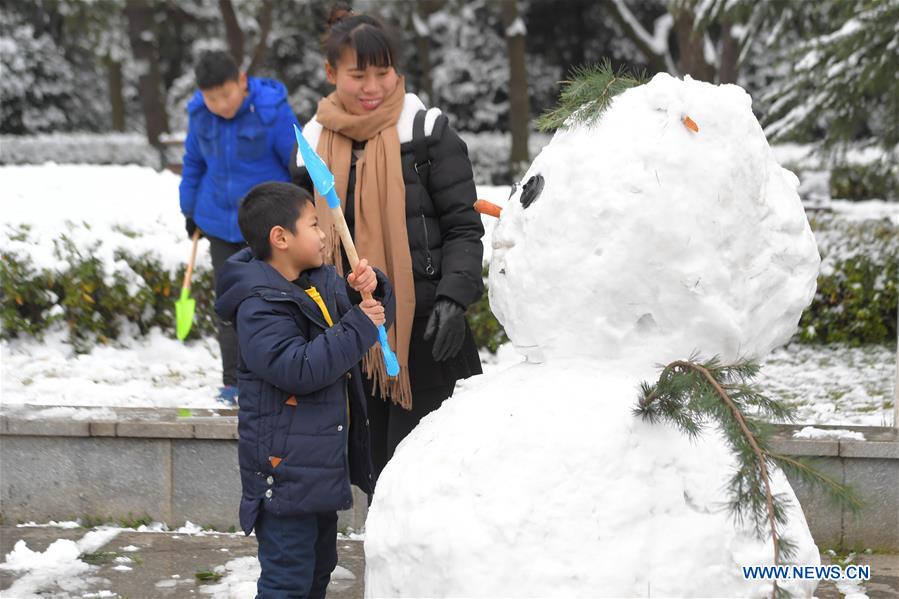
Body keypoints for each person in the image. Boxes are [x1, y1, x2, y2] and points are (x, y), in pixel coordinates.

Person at [291, 7, 485, 480]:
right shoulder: (312, 143)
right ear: (331, 72)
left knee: (434, 466)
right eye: (358, 75)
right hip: (348, 331)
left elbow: (463, 226)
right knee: (376, 466)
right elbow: (299, 240)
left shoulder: (425, 133)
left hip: (424, 330)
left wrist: (455, 299)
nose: (372, 86)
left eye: (383, 72)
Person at [214, 181, 394, 598]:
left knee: (317, 572)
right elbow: (300, 367)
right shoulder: (258, 305)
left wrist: (367, 289)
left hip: (317, 469)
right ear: (281, 238)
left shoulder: (320, 281)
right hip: (285, 474)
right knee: (287, 580)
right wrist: (360, 323)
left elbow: (369, 318)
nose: (323, 234)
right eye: (313, 224)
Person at [180, 50, 299, 405]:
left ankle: (280, 374)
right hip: (219, 222)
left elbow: (296, 163)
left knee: (275, 300)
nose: (220, 104)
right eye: (211, 98)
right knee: (230, 304)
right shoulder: (200, 116)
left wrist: (300, 213)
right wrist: (190, 210)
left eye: (226, 95)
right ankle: (232, 380)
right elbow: (194, 163)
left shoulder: (271, 111)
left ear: (241, 82)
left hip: (268, 225)